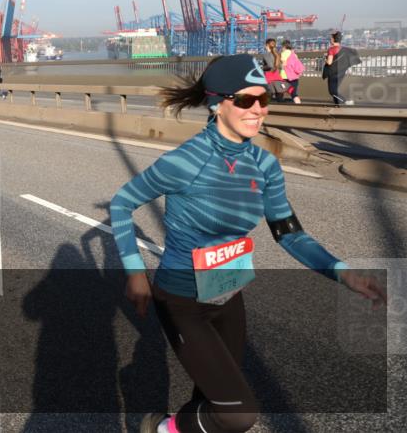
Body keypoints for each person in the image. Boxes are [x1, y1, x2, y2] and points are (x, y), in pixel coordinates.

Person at [108, 54, 386, 433]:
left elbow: (289, 233)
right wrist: (135, 273)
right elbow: (123, 203)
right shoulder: (186, 162)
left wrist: (342, 273)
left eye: (264, 99)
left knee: (213, 397)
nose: (257, 110)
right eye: (244, 100)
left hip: (228, 294)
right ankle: (161, 429)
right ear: (216, 103)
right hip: (182, 298)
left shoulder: (265, 165)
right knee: (238, 413)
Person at [323, 31, 358, 106]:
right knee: (335, 90)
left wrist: (325, 58)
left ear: (333, 39)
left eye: (331, 38)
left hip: (333, 73)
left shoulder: (331, 49)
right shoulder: (343, 49)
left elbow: (329, 62)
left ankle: (344, 101)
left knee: (332, 91)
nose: (330, 40)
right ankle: (337, 103)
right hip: (341, 72)